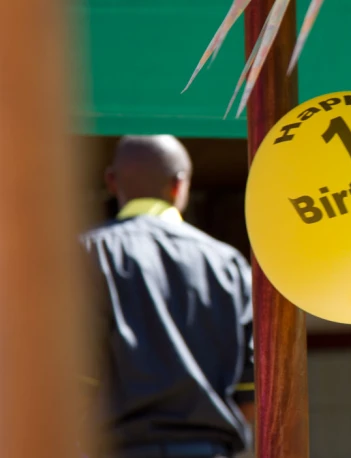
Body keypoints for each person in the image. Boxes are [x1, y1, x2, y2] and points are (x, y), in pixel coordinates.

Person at [80, 135, 255, 458]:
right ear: (179, 185)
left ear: (111, 181)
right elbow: (251, 389)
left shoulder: (88, 254)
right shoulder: (228, 264)